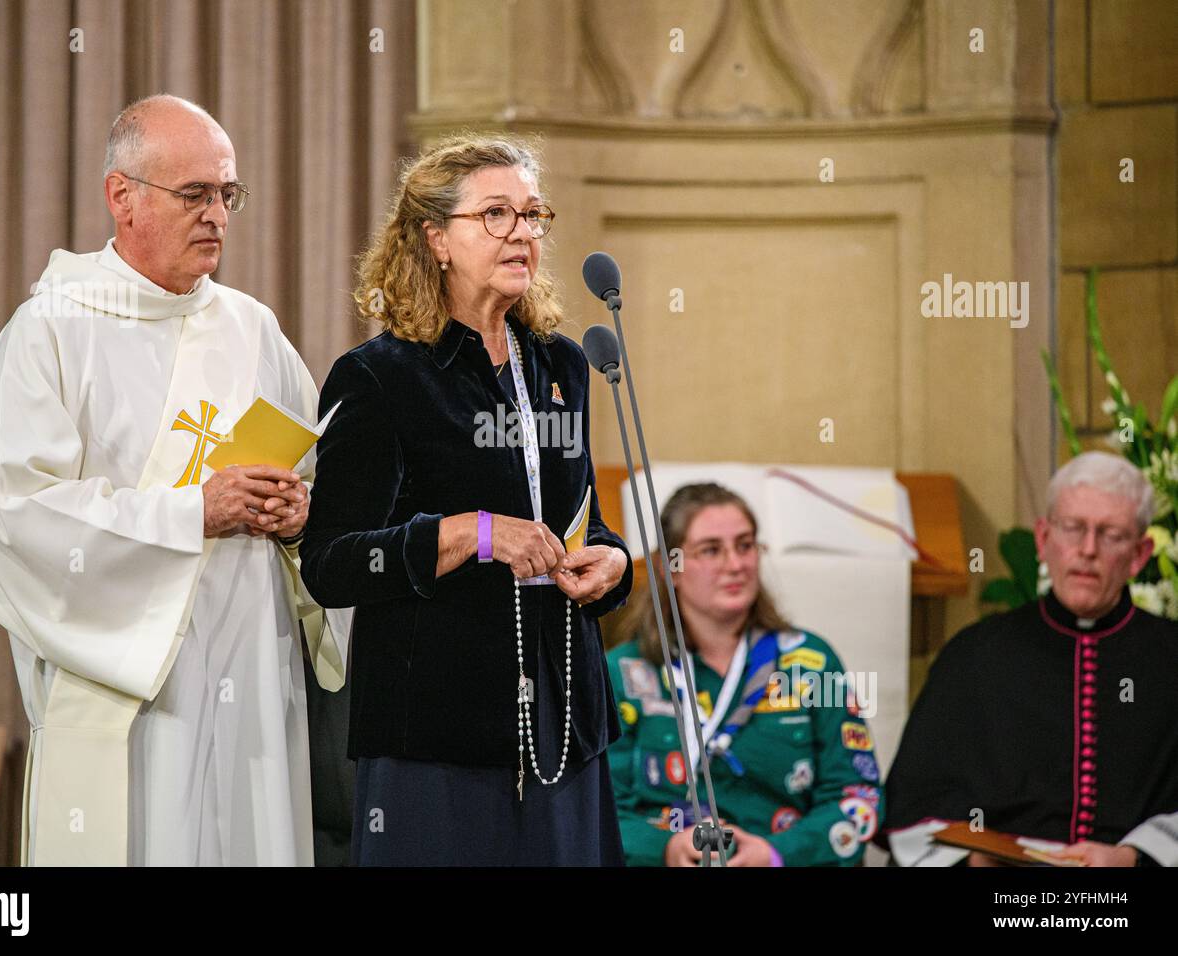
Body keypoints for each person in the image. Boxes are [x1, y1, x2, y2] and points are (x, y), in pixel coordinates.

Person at [0, 94, 346, 866]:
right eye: (194, 194)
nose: (217, 215)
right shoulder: (52, 329)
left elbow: (320, 484)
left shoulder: (254, 330)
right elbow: (16, 515)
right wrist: (190, 513)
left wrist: (300, 517)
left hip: (254, 680)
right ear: (121, 196)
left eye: (227, 194)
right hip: (134, 695)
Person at [300, 135, 633, 865]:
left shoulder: (562, 365)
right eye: (495, 214)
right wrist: (471, 534)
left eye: (532, 214)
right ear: (435, 238)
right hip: (437, 740)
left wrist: (613, 565)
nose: (522, 232)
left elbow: (586, 523)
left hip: (563, 722)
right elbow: (329, 563)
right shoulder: (380, 377)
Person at [881, 451, 1178, 866]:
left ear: (1140, 555)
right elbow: (920, 797)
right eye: (1073, 529)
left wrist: (1131, 858)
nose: (1087, 550)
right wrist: (976, 858)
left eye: (1111, 534)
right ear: (1043, 539)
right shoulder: (975, 656)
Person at [606, 483, 882, 866]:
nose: (735, 564)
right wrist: (663, 849)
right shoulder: (622, 673)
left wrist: (776, 854)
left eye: (745, 545)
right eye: (711, 550)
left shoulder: (811, 663)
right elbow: (595, 809)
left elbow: (858, 796)